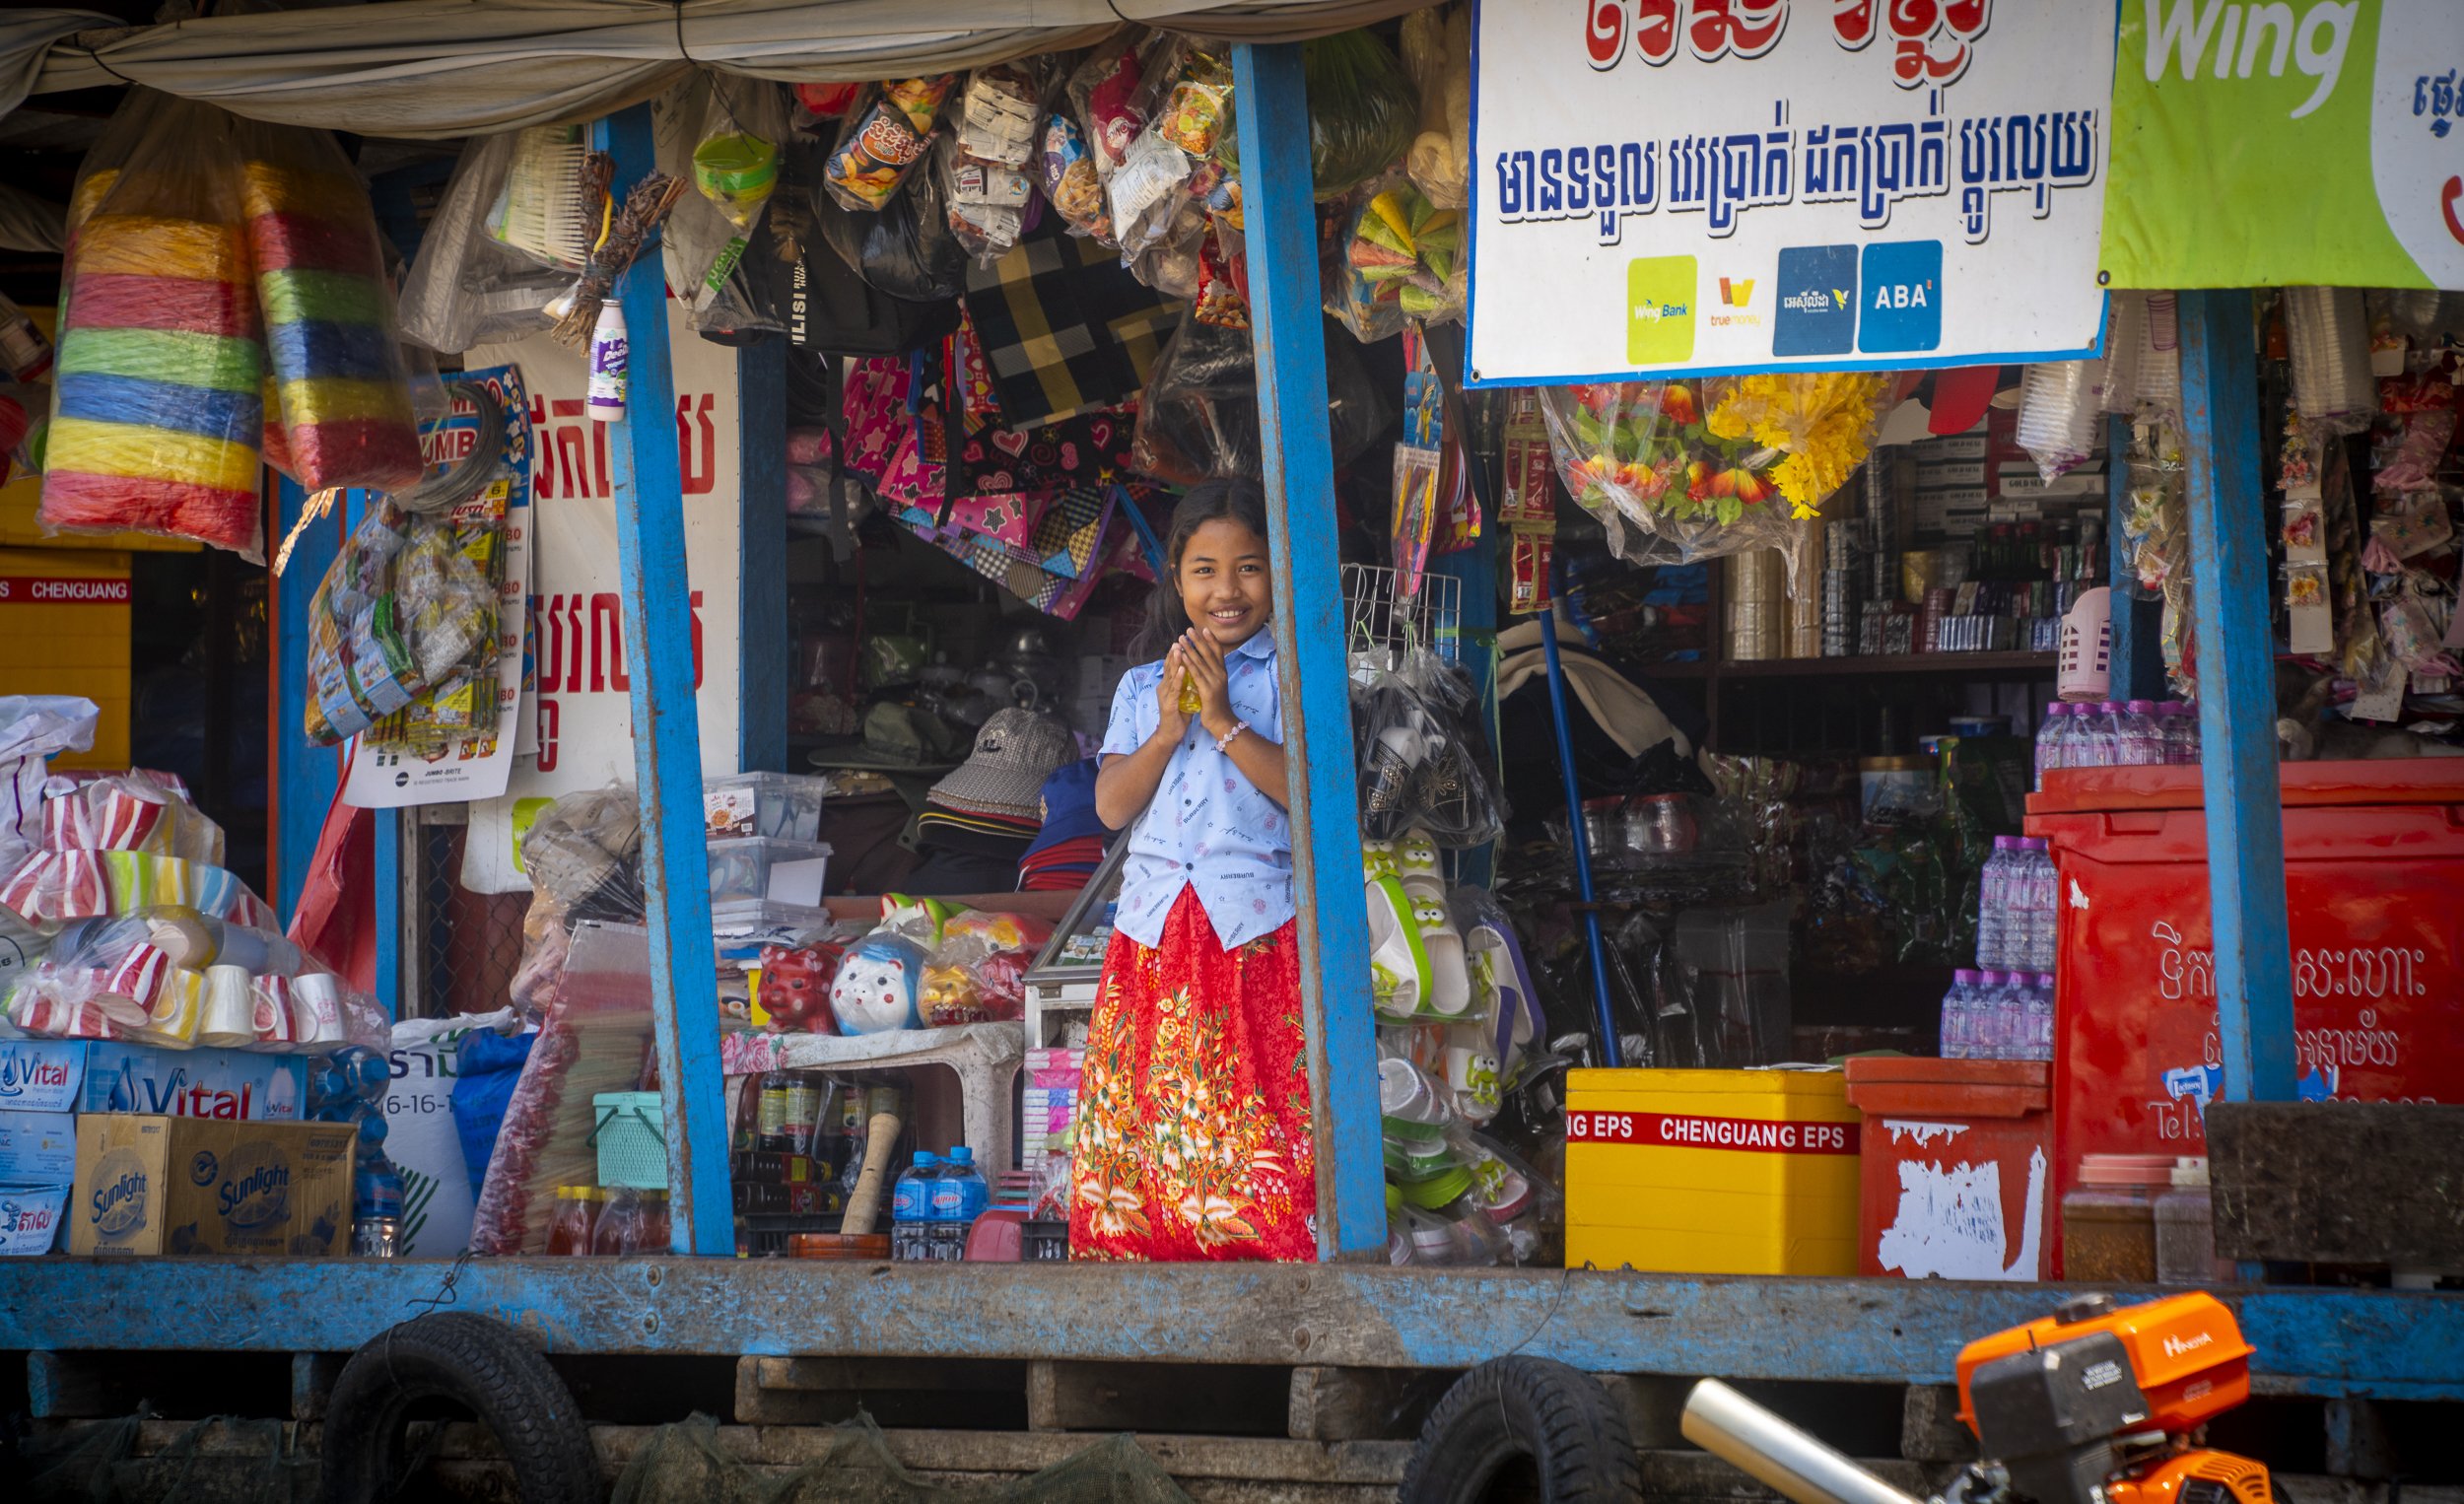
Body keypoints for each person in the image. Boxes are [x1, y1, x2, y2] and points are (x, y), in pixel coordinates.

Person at [1068, 477, 1310, 1261]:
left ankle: (1265, 1270)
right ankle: (1149, 1280)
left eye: (1249, 567)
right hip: (1153, 934)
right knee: (1149, 1119)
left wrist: (1222, 721)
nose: (1227, 591)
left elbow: (1312, 799)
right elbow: (1109, 808)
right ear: (1175, 580)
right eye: (1205, 570)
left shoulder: (1292, 678)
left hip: (1254, 932)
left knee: (1251, 1114)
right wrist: (1171, 728)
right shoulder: (1143, 687)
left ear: (1279, 574)